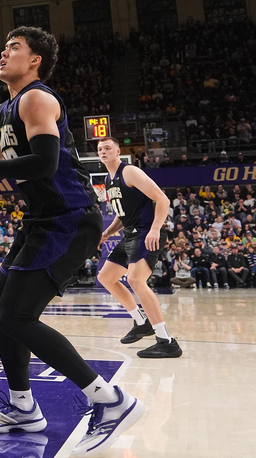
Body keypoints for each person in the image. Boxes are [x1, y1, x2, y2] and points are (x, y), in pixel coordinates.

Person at [0, 27, 143, 456]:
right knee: (0, 312)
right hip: (41, 220)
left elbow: (45, 162)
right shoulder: (2, 111)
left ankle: (111, 400)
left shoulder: (38, 98)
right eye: (4, 46)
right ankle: (22, 408)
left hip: (70, 217)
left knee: (16, 316)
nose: (3, 52)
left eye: (14, 47)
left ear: (34, 60)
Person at [96, 137, 182, 359]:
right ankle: (141, 321)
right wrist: (107, 233)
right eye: (100, 149)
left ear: (117, 152)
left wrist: (155, 228)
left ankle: (166, 341)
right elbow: (123, 215)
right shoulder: (108, 178)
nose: (103, 152)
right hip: (130, 232)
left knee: (135, 279)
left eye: (107, 148)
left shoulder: (130, 172)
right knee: (106, 277)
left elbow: (162, 199)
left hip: (146, 232)